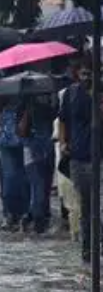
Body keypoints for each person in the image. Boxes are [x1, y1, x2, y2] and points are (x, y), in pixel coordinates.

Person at [58, 60, 96, 262]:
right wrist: (63, 143)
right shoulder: (70, 94)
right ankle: (87, 251)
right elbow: (63, 120)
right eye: (83, 74)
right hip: (79, 158)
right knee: (86, 207)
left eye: (90, 74)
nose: (87, 78)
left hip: (99, 157)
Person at [19, 91, 57, 233]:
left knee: (42, 188)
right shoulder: (26, 108)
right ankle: (37, 221)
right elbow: (22, 131)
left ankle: (33, 217)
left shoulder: (50, 109)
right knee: (39, 188)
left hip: (45, 152)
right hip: (34, 153)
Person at [0, 94, 28, 230]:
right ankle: (11, 213)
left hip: (23, 140)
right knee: (11, 177)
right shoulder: (1, 92)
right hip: (7, 141)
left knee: (20, 178)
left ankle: (20, 213)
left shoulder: (26, 93)